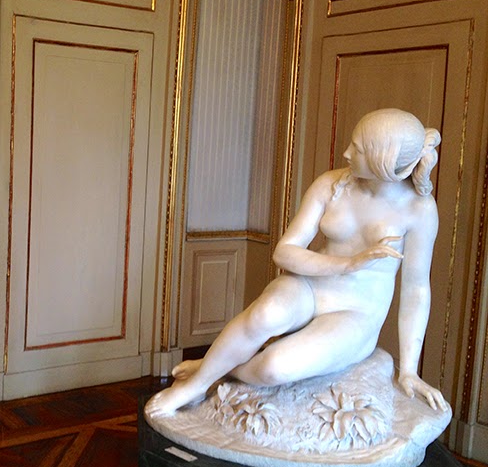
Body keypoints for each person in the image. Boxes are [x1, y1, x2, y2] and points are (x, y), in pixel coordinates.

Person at [147, 108, 448, 418]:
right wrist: (347, 264)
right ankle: (198, 383)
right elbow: (284, 252)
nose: (346, 153)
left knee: (275, 367)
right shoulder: (331, 184)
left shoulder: (419, 209)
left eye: (357, 149)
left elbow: (416, 290)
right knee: (265, 314)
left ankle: (220, 368)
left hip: (356, 312)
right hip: (309, 286)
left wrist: (409, 370)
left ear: (381, 159)